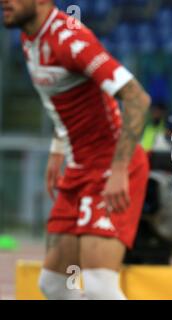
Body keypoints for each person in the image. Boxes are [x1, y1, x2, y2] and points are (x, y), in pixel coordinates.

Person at [1, 0, 151, 299]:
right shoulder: (29, 36)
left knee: (98, 287)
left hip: (113, 166)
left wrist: (119, 169)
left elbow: (137, 98)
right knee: (54, 285)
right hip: (79, 167)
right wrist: (59, 148)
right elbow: (63, 96)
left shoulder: (72, 41)